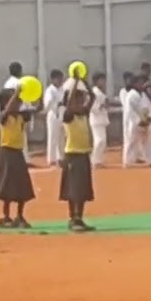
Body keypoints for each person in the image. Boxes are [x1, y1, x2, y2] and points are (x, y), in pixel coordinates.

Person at [0, 86, 35, 229]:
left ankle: (20, 216)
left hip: (18, 153)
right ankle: (6, 216)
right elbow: (8, 109)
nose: (18, 104)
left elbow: (36, 110)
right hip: (7, 153)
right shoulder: (4, 117)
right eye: (15, 101)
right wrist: (16, 94)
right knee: (7, 187)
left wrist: (35, 96)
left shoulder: (20, 117)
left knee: (22, 187)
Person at [60, 80, 96, 232]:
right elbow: (69, 104)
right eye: (77, 99)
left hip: (83, 154)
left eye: (81, 99)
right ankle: (73, 217)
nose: (81, 102)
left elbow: (92, 97)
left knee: (81, 189)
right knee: (74, 189)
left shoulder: (83, 114)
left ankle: (78, 217)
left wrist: (84, 80)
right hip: (73, 154)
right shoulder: (69, 115)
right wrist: (74, 84)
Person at [122, 75, 151, 167]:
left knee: (148, 141)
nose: (141, 84)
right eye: (139, 82)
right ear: (134, 84)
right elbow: (131, 111)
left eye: (142, 82)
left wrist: (150, 117)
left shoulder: (144, 95)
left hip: (145, 121)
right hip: (134, 122)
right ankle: (128, 162)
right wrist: (139, 120)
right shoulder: (131, 95)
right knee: (131, 141)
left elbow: (149, 107)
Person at [42, 69, 66, 168]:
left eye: (61, 79)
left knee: (62, 138)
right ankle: (51, 159)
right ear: (52, 79)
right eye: (58, 79)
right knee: (53, 137)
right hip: (53, 115)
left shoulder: (63, 90)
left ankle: (61, 158)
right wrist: (57, 103)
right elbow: (48, 104)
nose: (60, 81)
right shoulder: (50, 90)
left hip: (62, 115)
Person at [88, 74, 110, 168]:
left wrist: (106, 104)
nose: (103, 82)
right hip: (96, 119)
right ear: (96, 81)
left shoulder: (101, 92)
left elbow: (105, 104)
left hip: (101, 119)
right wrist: (102, 105)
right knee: (99, 140)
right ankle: (94, 161)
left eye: (104, 80)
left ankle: (98, 160)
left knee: (103, 141)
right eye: (101, 80)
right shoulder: (93, 93)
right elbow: (91, 107)